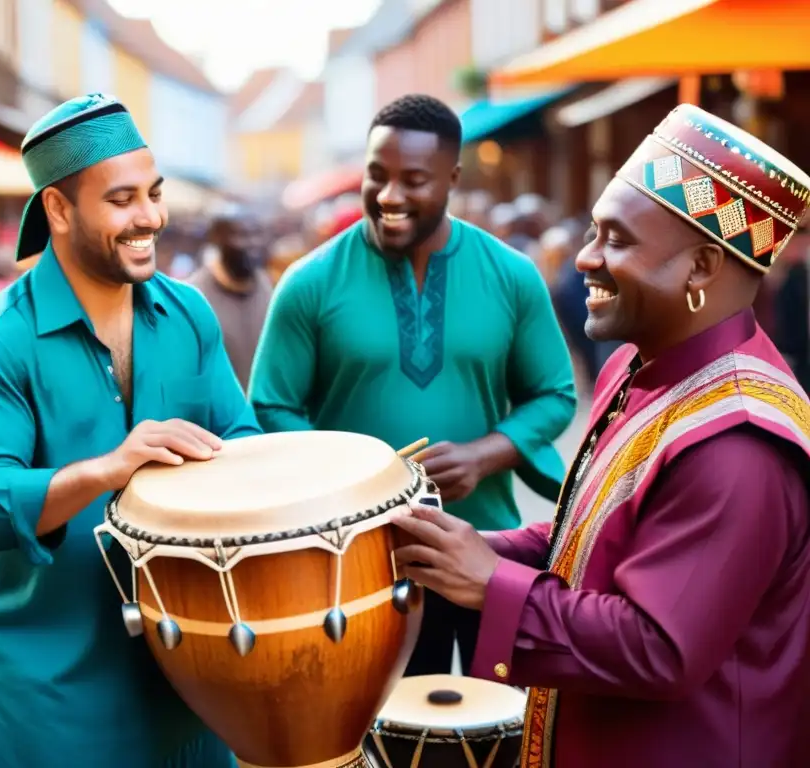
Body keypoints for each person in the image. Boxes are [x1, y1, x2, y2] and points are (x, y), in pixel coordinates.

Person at [392, 104, 810, 768]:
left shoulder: (738, 445)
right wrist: (455, 549)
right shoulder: (636, 366)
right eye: (593, 231)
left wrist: (490, 582)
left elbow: (659, 647)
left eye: (616, 239)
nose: (584, 257)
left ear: (701, 267)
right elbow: (590, 543)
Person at [0, 94, 260, 767]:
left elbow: (241, 438)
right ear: (58, 210)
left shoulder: (189, 314)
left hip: (191, 665)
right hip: (50, 682)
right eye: (122, 200)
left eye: (153, 192)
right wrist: (111, 467)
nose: (151, 217)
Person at [248, 94, 576, 677]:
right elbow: (272, 404)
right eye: (377, 175)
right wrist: (358, 475)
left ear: (452, 177)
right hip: (355, 558)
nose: (390, 195)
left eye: (414, 180)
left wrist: (484, 453)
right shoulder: (309, 282)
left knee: (491, 725)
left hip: (484, 547)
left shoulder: (513, 276)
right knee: (379, 734)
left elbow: (554, 395)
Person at [187, 205, 273, 389]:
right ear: (216, 239)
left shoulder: (271, 289)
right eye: (241, 236)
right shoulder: (192, 298)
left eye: (257, 234)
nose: (252, 244)